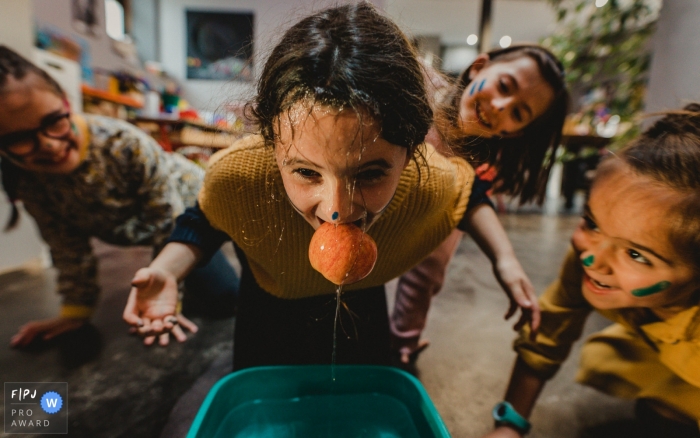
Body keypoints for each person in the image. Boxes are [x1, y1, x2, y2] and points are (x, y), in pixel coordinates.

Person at [123, 2, 537, 369]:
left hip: (363, 306)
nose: (336, 209)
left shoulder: (427, 181)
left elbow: (466, 195)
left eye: (370, 174)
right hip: (266, 313)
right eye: (305, 172)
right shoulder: (242, 177)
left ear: (411, 153)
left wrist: (505, 259)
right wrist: (166, 270)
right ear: (271, 143)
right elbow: (205, 219)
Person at [481, 105, 700, 438]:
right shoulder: (591, 256)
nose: (593, 260)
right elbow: (548, 333)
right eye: (591, 223)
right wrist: (510, 425)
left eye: (637, 254)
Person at [0, 46, 239, 347]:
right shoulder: (26, 180)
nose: (48, 144)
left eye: (54, 122)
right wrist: (75, 311)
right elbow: (65, 244)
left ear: (66, 102)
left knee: (226, 301)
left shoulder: (124, 144)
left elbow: (167, 224)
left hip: (192, 220)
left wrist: (167, 302)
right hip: (147, 230)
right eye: (20, 139)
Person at [391, 44, 569, 365]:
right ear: (479, 66)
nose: (501, 106)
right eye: (504, 86)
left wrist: (506, 259)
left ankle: (404, 343)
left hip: (429, 212)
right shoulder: (418, 86)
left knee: (430, 269)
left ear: (515, 133)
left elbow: (472, 196)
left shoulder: (477, 162)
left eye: (518, 113)